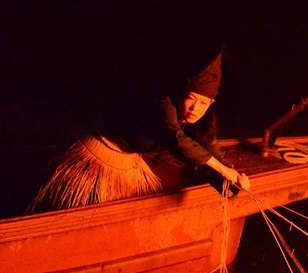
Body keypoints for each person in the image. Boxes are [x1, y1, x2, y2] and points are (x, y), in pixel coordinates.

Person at [29, 51, 249, 212]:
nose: (195, 109)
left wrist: (228, 176)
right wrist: (220, 168)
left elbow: (206, 146)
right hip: (104, 151)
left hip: (139, 157)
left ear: (211, 102)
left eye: (203, 103)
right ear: (181, 93)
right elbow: (176, 139)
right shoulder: (164, 103)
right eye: (191, 99)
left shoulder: (205, 117)